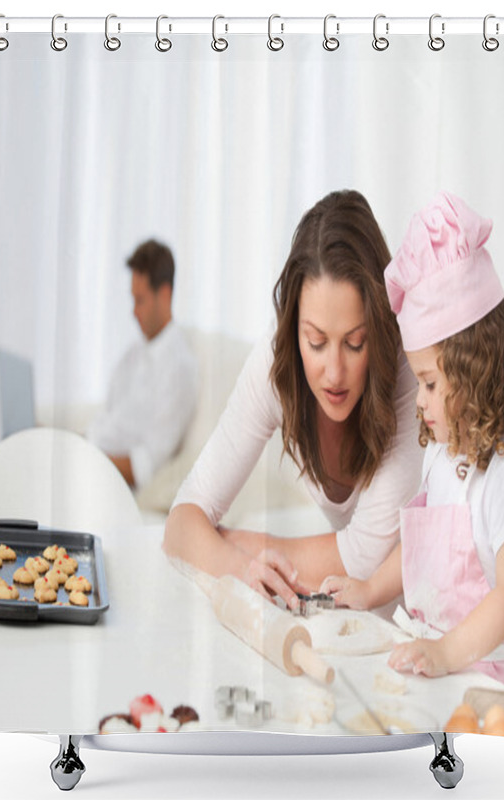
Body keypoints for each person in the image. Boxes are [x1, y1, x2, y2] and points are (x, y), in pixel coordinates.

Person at [320, 192, 504, 690]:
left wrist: (446, 652)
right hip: (429, 665)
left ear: (473, 370)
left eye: (428, 383)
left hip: (477, 678)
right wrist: (367, 591)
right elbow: (416, 551)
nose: (419, 400)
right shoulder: (443, 456)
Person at [163, 190, 422, 609]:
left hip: (436, 626)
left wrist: (237, 543)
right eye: (316, 342)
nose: (334, 373)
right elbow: (181, 523)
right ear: (293, 327)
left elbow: (364, 558)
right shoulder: (277, 360)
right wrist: (242, 567)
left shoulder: (408, 369)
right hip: (355, 622)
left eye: (356, 343)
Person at [87, 239, 198, 490]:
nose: (134, 312)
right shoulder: (133, 354)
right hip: (89, 457)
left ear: (165, 295)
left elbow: (146, 464)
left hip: (104, 478)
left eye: (140, 300)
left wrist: (89, 460)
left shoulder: (180, 368)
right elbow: (106, 420)